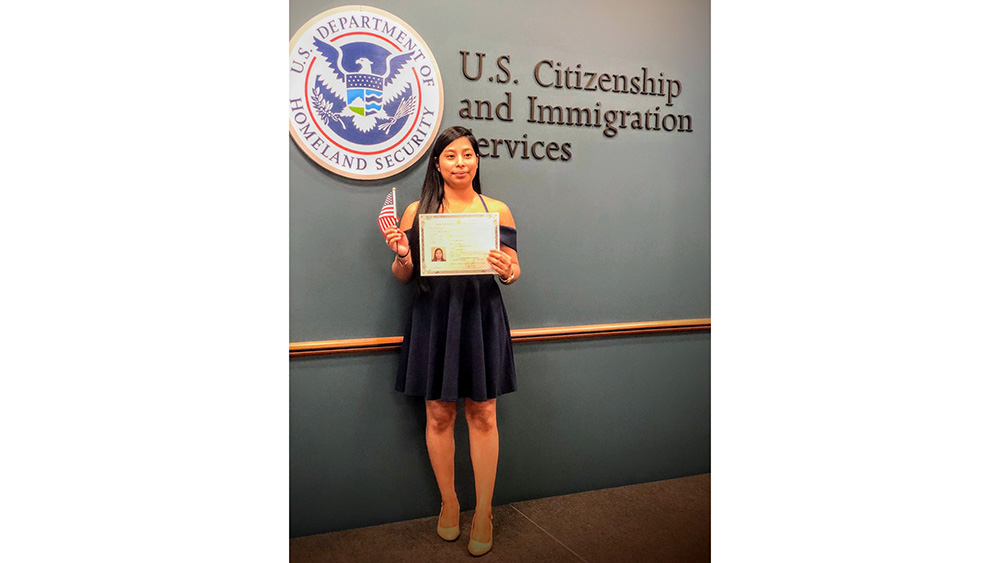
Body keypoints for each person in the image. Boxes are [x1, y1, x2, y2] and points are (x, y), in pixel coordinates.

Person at [383, 126, 520, 556]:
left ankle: (483, 511)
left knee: (483, 413)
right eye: (451, 156)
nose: (461, 162)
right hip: (433, 317)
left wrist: (508, 269)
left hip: (481, 316)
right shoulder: (415, 211)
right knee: (439, 415)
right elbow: (403, 276)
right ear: (437, 163)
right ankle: (450, 503)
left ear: (477, 161)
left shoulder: (496, 209)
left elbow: (513, 268)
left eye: (468, 154)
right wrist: (403, 255)